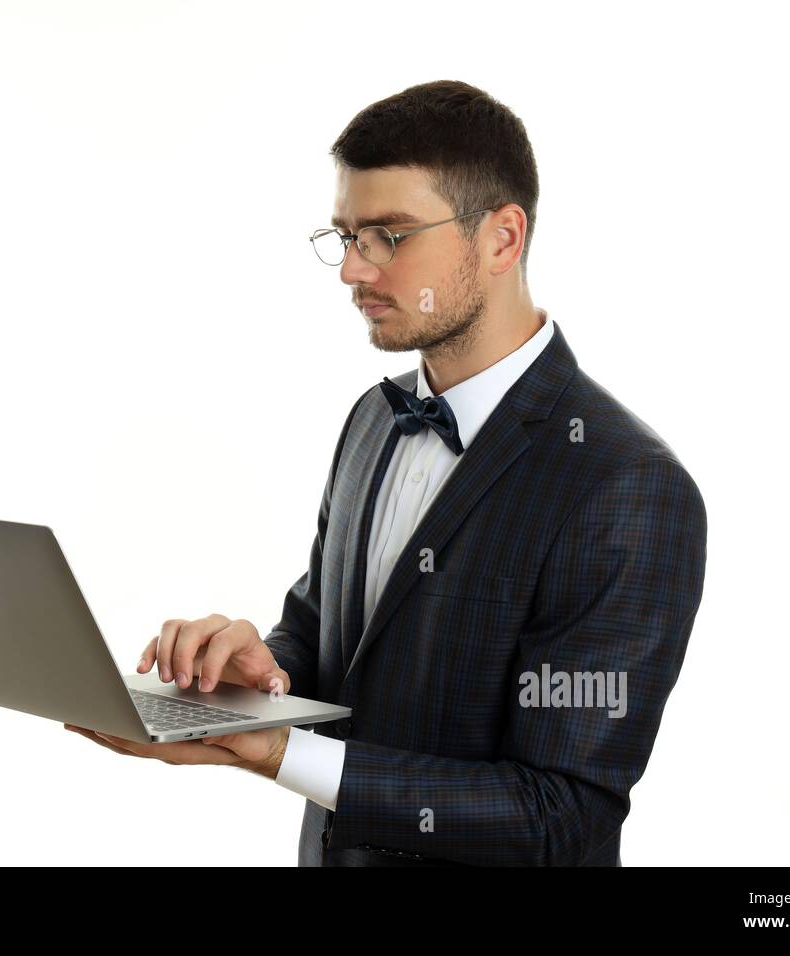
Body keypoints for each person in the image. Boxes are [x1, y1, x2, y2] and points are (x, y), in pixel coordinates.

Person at [65, 79, 707, 866]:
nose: (353, 271)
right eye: (346, 236)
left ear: (503, 238)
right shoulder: (374, 419)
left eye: (390, 236)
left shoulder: (626, 485)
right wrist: (247, 680)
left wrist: (276, 754)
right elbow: (321, 640)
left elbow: (562, 808)